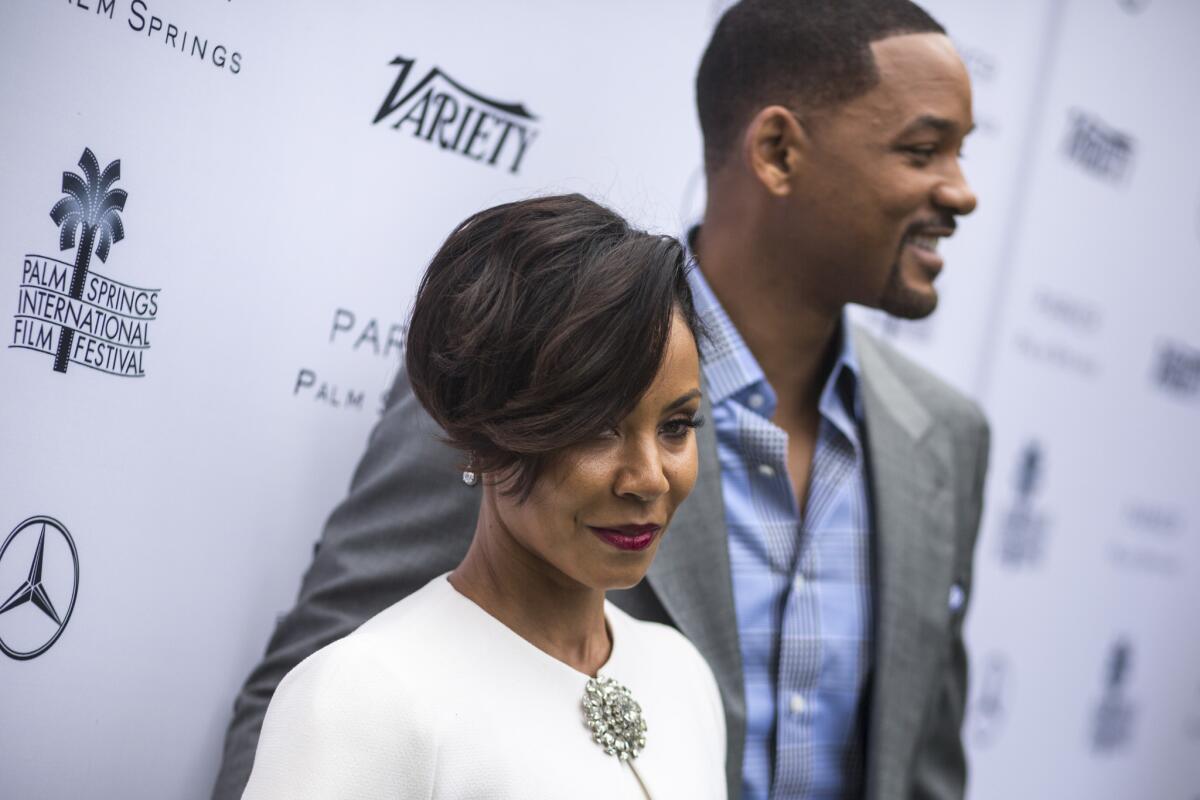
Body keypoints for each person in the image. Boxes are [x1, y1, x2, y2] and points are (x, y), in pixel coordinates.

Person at [214, 1, 989, 798]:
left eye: (680, 425)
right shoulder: (524, 352)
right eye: (924, 150)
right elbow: (320, 710)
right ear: (778, 150)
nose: (962, 193)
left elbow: (924, 768)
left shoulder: (944, 437)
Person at [241, 194, 726, 798]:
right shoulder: (360, 698)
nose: (649, 477)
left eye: (676, 427)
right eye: (597, 427)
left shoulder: (683, 675)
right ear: (485, 432)